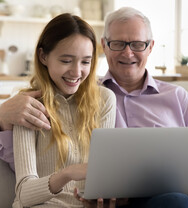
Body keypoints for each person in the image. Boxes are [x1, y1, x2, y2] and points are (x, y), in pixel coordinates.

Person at [0, 7, 188, 208]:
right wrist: (4, 118)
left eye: (138, 44)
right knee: (175, 203)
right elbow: (41, 165)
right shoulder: (92, 96)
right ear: (105, 47)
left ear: (151, 46)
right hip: (147, 201)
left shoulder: (176, 97)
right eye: (118, 43)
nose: (128, 52)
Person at [7, 13, 116, 208]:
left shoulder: (105, 100)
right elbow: (24, 194)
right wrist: (67, 174)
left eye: (85, 62)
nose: (76, 72)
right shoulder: (28, 105)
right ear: (43, 56)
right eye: (66, 61)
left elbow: (104, 175)